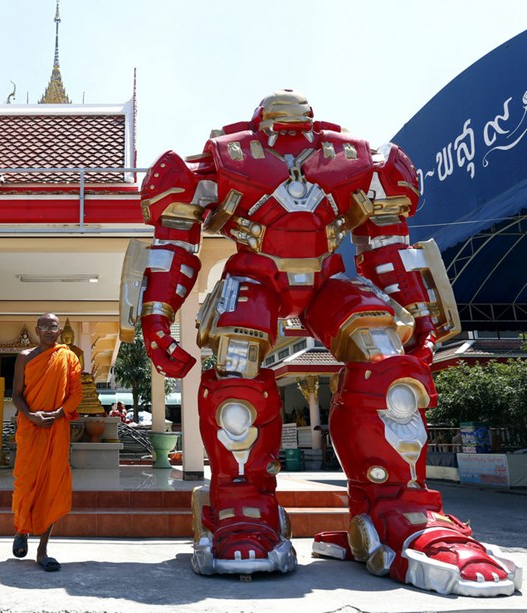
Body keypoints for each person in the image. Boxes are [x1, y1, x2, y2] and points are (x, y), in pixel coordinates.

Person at [125, 90, 519, 595]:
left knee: (386, 359)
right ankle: (241, 506)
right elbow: (175, 237)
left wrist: (421, 319)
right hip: (255, 276)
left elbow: (387, 241)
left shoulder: (357, 160)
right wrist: (156, 319)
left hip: (330, 279)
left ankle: (400, 509)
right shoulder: (222, 157)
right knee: (236, 364)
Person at [11, 313, 82, 572]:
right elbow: (16, 395)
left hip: (56, 428)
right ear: (37, 330)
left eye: (54, 326)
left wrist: (60, 413)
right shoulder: (25, 357)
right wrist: (31, 415)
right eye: (45, 327)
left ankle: (42, 550)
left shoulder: (69, 357)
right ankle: (21, 529)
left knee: (52, 486)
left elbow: (76, 394)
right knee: (25, 483)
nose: (50, 331)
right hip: (31, 428)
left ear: (59, 330)